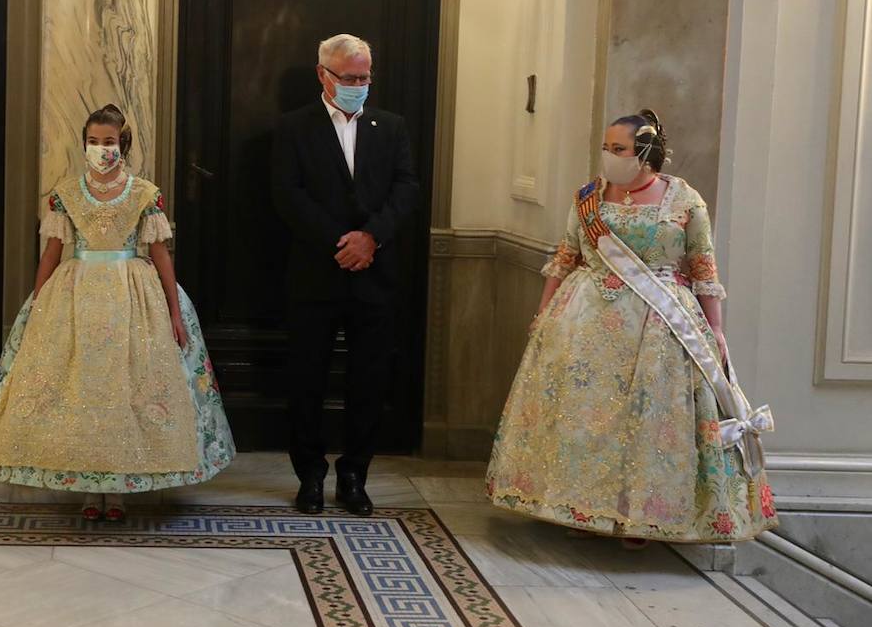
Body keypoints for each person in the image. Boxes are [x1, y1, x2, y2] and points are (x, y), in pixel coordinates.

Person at [486, 110, 777, 546]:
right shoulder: (589, 197)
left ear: (645, 152)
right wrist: (544, 311)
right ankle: (570, 504)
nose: (608, 156)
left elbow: (703, 268)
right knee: (582, 415)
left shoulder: (683, 201)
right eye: (606, 148)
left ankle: (638, 517)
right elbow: (567, 255)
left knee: (647, 423)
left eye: (618, 149)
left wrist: (715, 328)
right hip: (583, 320)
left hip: (659, 326)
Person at [0, 104, 234, 521]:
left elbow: (160, 253)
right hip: (76, 292)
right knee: (81, 390)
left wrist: (173, 309)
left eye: (109, 142)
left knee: (127, 389)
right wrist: (38, 302)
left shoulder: (144, 194)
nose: (102, 150)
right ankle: (87, 490)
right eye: (94, 142)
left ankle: (118, 492)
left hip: (133, 296)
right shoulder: (65, 192)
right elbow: (52, 251)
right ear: (84, 144)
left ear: (124, 144)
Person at [271, 34, 419, 516]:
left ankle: (354, 474)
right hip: (316, 272)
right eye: (349, 78)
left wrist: (370, 238)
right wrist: (342, 241)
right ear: (323, 75)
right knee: (306, 379)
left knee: (370, 381)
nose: (358, 85)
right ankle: (310, 475)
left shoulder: (391, 126)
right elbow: (287, 195)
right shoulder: (294, 128)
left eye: (364, 77)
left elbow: (405, 187)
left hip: (375, 274)